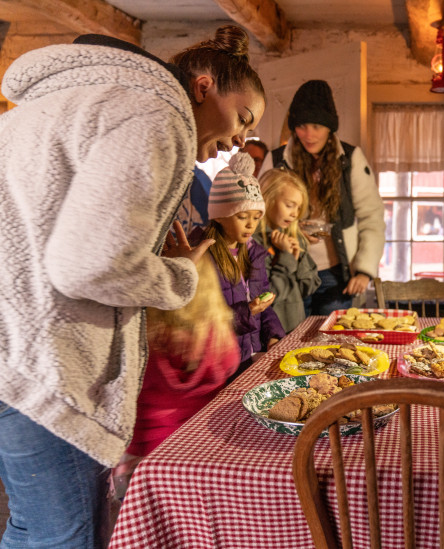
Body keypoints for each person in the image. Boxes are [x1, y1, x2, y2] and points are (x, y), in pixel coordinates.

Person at [0, 24, 265, 547]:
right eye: (244, 118)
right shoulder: (155, 113)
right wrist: (179, 277)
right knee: (63, 536)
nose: (242, 139)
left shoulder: (73, 100)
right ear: (203, 87)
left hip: (10, 346)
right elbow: (85, 265)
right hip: (42, 361)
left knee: (31, 524)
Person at [110, 257, 240, 499]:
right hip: (197, 450)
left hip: (143, 452)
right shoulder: (219, 338)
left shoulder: (145, 338)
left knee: (142, 521)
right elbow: (231, 365)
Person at [271, 79, 385, 316]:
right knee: (294, 342)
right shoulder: (278, 160)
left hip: (337, 275)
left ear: (330, 127)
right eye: (302, 126)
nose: (309, 135)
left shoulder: (350, 159)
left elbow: (371, 217)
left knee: (331, 344)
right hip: (292, 271)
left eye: (316, 126)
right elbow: (262, 215)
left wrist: (364, 270)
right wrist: (292, 231)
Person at [194, 152, 285, 377]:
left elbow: (264, 304)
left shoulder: (253, 252)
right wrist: (249, 310)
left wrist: (273, 336)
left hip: (253, 356)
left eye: (256, 217)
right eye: (242, 216)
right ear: (221, 215)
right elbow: (204, 320)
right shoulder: (204, 257)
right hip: (221, 366)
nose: (251, 225)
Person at [256, 167, 321, 333]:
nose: (294, 214)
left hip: (295, 328)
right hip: (270, 334)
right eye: (290, 205)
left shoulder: (294, 237)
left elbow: (309, 286)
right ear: (267, 199)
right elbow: (269, 296)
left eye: (298, 208)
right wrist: (286, 258)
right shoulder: (255, 242)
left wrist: (299, 258)